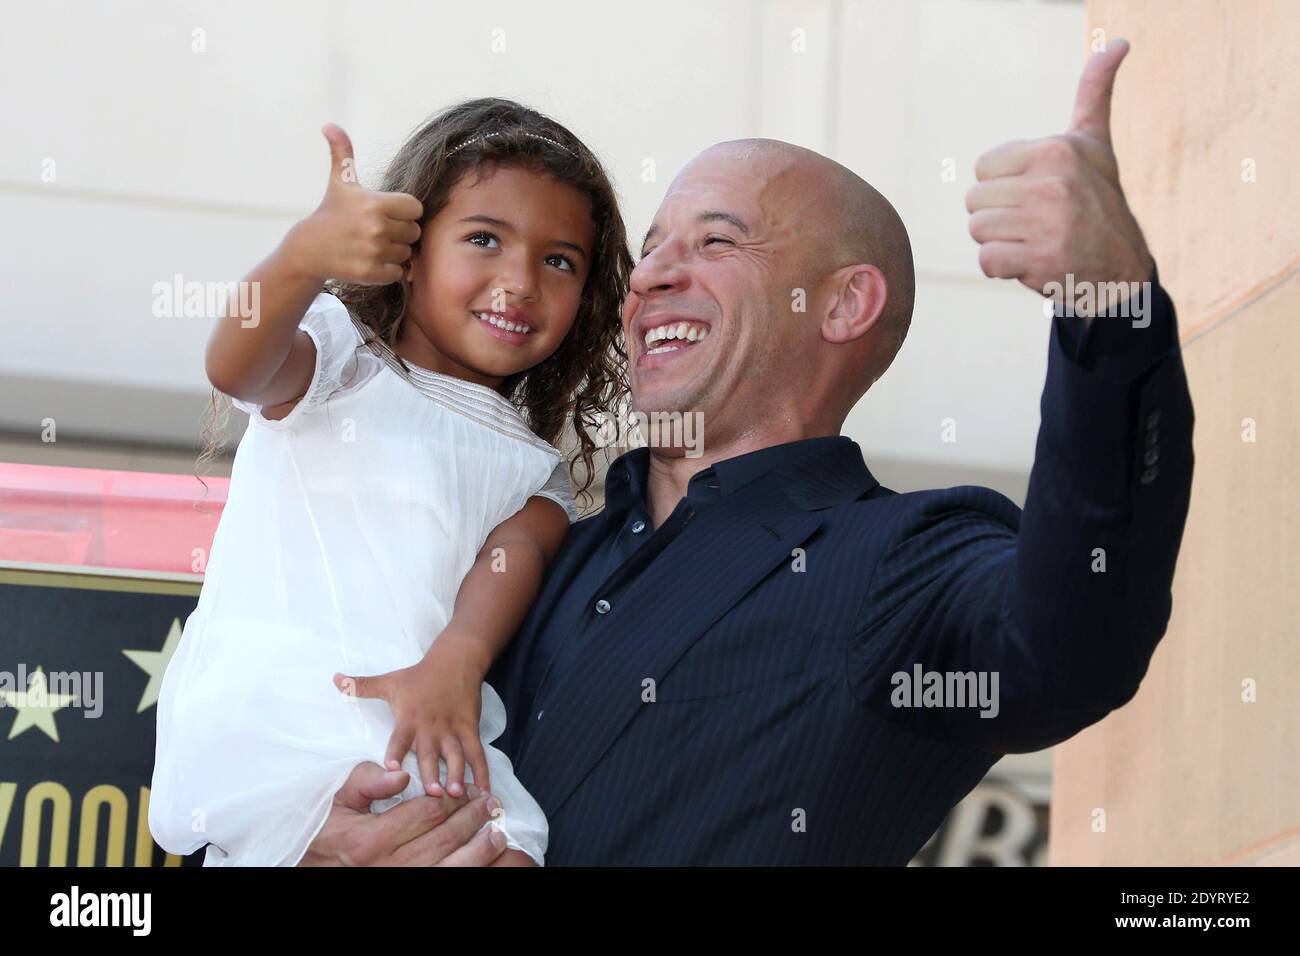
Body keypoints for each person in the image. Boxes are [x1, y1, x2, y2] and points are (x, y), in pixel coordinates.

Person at [301, 41, 1195, 866]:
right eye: (648, 252)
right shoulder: (524, 558)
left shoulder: (898, 562)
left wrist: (1109, 307)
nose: (647, 276)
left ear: (843, 307)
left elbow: (1072, 644)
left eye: (717, 241)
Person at [149, 98, 633, 866]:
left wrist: (455, 665)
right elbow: (234, 366)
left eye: (559, 260)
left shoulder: (534, 470)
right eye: (483, 239)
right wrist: (303, 257)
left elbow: (512, 570)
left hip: (429, 735)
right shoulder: (340, 364)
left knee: (508, 853)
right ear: (407, 251)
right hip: (287, 735)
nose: (520, 280)